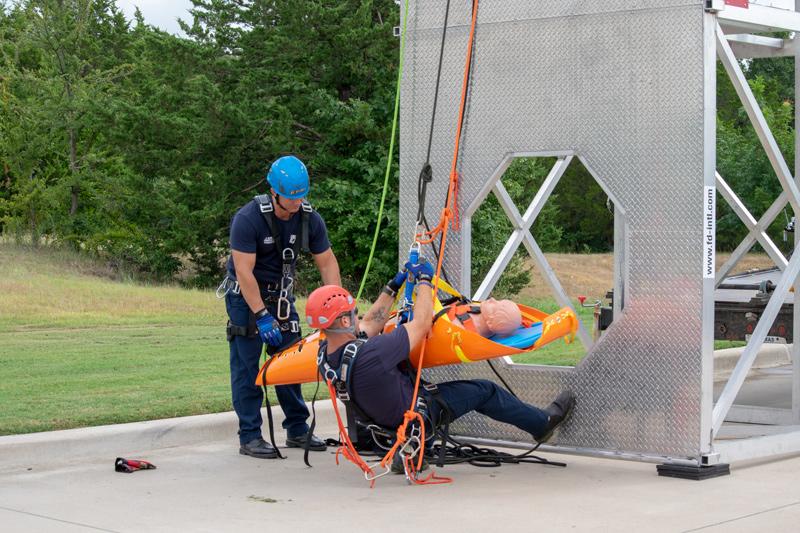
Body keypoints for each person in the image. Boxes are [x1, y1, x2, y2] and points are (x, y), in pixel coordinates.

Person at [305, 258, 575, 468]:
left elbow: (372, 323)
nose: (357, 316)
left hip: (384, 421)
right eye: (352, 314)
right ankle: (542, 424)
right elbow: (421, 325)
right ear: (342, 322)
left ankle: (410, 449)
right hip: (417, 417)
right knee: (484, 390)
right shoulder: (372, 354)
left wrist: (394, 284)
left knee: (420, 386)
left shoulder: (326, 354)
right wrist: (424, 280)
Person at [221, 155, 341, 459]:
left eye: (302, 196)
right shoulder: (248, 219)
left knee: (291, 363)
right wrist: (261, 316)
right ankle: (249, 436)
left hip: (283, 300)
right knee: (248, 367)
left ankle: (297, 429)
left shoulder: (309, 219)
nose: (298, 202)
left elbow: (326, 261)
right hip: (246, 300)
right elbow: (243, 272)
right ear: (274, 192)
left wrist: (336, 302)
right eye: (291, 197)